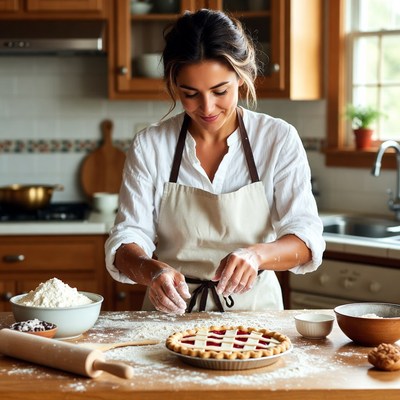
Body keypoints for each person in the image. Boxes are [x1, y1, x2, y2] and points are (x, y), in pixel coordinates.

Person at [105, 9, 325, 314]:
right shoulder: (151, 145)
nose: (207, 107)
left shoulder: (277, 139)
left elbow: (306, 238)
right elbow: (127, 239)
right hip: (171, 314)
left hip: (257, 314)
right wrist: (152, 271)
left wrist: (257, 256)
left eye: (220, 91)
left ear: (241, 77)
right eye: (190, 93)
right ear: (173, 85)